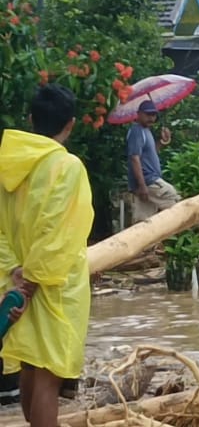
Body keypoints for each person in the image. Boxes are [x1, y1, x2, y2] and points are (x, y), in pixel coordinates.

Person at [0, 85, 94, 425]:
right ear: (70, 124)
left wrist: (14, 273)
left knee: (29, 364)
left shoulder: (8, 163)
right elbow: (59, 233)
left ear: (30, 119)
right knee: (48, 376)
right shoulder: (67, 167)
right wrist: (34, 282)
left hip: (16, 281)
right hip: (54, 285)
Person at [127, 99, 180, 223]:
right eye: (148, 114)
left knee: (145, 222)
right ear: (139, 114)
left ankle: (147, 242)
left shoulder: (146, 131)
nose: (151, 118)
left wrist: (163, 142)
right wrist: (142, 185)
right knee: (174, 198)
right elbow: (134, 158)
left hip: (147, 183)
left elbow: (150, 153)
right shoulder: (137, 131)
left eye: (153, 115)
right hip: (149, 181)